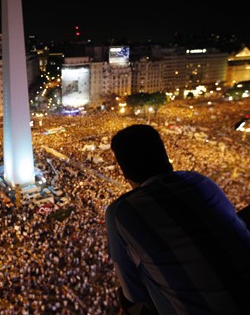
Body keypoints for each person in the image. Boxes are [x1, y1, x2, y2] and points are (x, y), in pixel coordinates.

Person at [105, 124, 250, 315]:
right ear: (165, 157)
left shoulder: (121, 212)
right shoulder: (201, 182)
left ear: (124, 172)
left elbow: (135, 297)